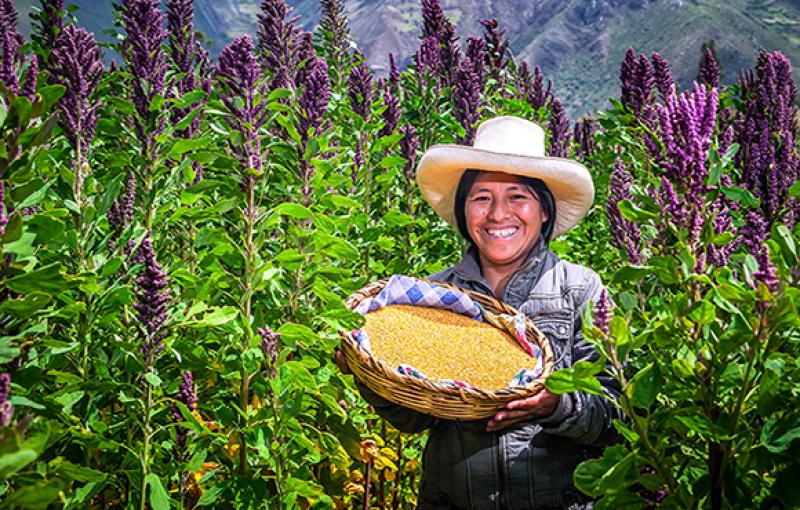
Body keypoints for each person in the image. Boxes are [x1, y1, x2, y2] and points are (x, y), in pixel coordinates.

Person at [336, 116, 621, 509]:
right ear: (464, 211)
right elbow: (414, 419)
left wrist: (557, 406)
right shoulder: (431, 297)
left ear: (544, 211)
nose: (498, 214)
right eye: (481, 197)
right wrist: (369, 375)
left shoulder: (579, 290)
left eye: (518, 196)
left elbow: (618, 415)